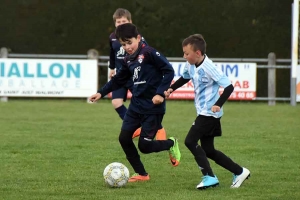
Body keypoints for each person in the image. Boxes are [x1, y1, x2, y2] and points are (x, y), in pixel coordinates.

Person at [89, 23, 181, 182]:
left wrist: (160, 93)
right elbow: (118, 80)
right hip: (135, 107)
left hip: (153, 108)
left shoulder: (150, 53)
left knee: (144, 147)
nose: (127, 47)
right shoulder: (127, 59)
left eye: (129, 42)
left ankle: (170, 143)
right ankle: (142, 174)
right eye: (124, 44)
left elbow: (169, 71)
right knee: (124, 139)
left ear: (138, 38)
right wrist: (101, 92)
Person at [164, 34, 250, 189]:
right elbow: (185, 78)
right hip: (203, 112)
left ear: (198, 53)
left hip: (209, 113)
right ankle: (240, 171)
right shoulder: (190, 65)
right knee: (208, 150)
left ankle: (209, 177)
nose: (184, 56)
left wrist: (218, 104)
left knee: (190, 141)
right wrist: (171, 88)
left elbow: (229, 87)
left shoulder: (210, 67)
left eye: (186, 53)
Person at [108, 8, 167, 140]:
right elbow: (112, 53)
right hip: (121, 76)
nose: (121, 24)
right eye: (118, 22)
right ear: (115, 23)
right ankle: (136, 127)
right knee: (116, 103)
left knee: (143, 105)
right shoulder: (112, 38)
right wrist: (112, 67)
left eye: (124, 21)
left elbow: (146, 54)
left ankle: (159, 127)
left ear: (130, 22)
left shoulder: (137, 38)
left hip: (135, 77)